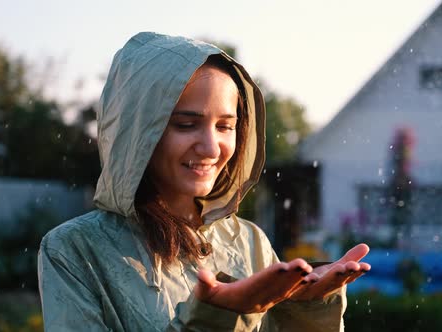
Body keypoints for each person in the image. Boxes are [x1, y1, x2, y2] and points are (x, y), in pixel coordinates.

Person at [38, 32, 370, 331]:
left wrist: (305, 308)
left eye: (225, 126)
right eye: (186, 124)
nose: (212, 148)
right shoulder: (74, 250)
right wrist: (218, 317)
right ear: (137, 132)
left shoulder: (249, 242)